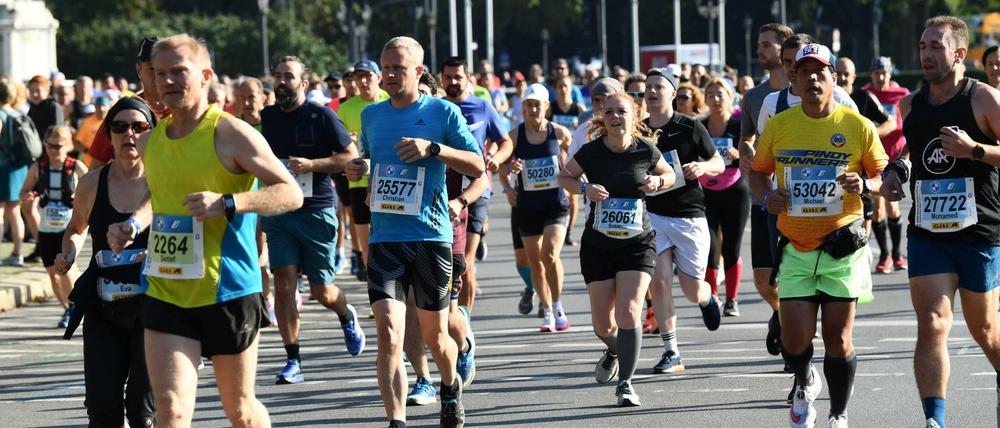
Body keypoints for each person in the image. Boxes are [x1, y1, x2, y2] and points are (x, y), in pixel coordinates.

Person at [105, 33, 305, 427]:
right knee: (171, 409)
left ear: (205, 75)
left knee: (241, 412)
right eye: (161, 73)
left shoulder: (229, 133)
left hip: (227, 288)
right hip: (166, 287)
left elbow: (291, 193)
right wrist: (133, 223)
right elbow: (161, 198)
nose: (168, 81)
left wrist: (229, 203)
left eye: (179, 71)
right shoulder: (151, 141)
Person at [344, 36, 483, 428]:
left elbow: (477, 166)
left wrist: (434, 149)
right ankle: (397, 420)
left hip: (430, 237)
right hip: (385, 238)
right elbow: (373, 160)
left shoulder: (442, 112)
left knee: (436, 338)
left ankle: (450, 385)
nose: (388, 74)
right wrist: (360, 167)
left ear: (418, 72)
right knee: (389, 333)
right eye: (385, 67)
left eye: (397, 69)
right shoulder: (372, 115)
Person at [751, 43, 887, 428]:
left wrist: (865, 183)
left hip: (841, 244)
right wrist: (767, 196)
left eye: (820, 72)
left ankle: (838, 414)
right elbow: (758, 172)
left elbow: (881, 175)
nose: (812, 78)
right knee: (793, 341)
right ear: (794, 79)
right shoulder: (779, 125)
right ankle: (803, 376)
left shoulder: (856, 125)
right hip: (794, 244)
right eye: (804, 72)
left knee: (838, 340)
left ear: (833, 79)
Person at [880, 16, 1000, 428]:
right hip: (928, 231)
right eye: (923, 46)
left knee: (985, 328)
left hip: (979, 229)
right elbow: (912, 153)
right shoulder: (909, 105)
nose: (926, 54)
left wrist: (976, 151)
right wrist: (896, 173)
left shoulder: (983, 99)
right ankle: (935, 421)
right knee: (932, 322)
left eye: (936, 46)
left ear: (959, 53)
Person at [558, 92, 674, 406]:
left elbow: (670, 174)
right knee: (603, 323)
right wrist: (584, 187)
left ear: (633, 116)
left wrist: (657, 183)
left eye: (621, 111)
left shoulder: (645, 150)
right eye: (609, 112)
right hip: (599, 245)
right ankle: (614, 349)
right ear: (602, 117)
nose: (615, 117)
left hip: (638, 243)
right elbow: (564, 177)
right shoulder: (591, 151)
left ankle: (625, 384)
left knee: (630, 311)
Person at [261, 56, 366, 385]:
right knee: (283, 283)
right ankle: (293, 359)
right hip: (280, 211)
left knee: (322, 290)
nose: (281, 82)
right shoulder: (269, 116)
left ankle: (347, 316)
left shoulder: (322, 115)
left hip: (316, 209)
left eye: (288, 77)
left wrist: (312, 164)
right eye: (277, 76)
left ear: (303, 84)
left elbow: (349, 157)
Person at [54, 97, 156, 428]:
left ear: (152, 133)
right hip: (103, 306)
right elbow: (76, 228)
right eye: (120, 126)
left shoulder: (165, 181)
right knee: (102, 408)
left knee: (142, 410)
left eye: (140, 127)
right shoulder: (91, 182)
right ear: (109, 135)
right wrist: (68, 252)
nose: (130, 134)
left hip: (154, 306)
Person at [644, 68, 725, 375]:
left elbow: (717, 161)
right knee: (660, 282)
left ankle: (707, 298)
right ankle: (671, 351)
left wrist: (702, 167)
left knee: (691, 289)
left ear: (672, 94)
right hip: (653, 215)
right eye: (648, 87)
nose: (651, 92)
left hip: (689, 215)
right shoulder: (638, 130)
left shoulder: (690, 126)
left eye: (658, 87)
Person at [440, 56, 513, 312]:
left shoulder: (482, 106)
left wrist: (496, 158)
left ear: (468, 79)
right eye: (448, 77)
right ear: (441, 78)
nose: (453, 82)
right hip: (443, 192)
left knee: (465, 264)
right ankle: (447, 318)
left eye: (458, 76)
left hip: (476, 189)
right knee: (445, 262)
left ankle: (463, 323)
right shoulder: (436, 109)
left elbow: (506, 142)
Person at [501, 83, 573, 332]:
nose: (533, 109)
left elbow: (576, 159)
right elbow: (502, 163)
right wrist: (508, 184)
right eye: (528, 105)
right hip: (528, 205)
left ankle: (557, 303)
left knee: (550, 254)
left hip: (555, 203)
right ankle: (548, 311)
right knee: (535, 261)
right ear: (522, 108)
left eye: (537, 105)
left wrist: (572, 177)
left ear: (546, 107)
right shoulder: (514, 136)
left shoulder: (560, 133)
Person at [20, 125, 88, 327]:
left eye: (58, 146)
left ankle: (74, 306)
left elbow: (93, 190)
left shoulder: (76, 167)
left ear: (67, 145)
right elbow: (23, 193)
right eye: (50, 146)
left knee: (66, 267)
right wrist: (28, 198)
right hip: (46, 228)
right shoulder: (37, 168)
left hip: (70, 227)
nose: (54, 150)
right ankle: (68, 309)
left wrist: (80, 198)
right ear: (45, 145)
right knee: (53, 274)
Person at [701, 77, 750, 316]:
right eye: (711, 94)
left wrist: (739, 155)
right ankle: (713, 297)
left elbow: (755, 159)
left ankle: (732, 299)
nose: (716, 99)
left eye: (721, 94)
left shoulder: (740, 125)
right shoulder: (700, 126)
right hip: (706, 192)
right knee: (709, 248)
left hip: (734, 191)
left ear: (731, 97)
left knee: (731, 248)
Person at [339, 59, 390, 282]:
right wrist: (345, 142)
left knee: (389, 241)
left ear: (378, 77)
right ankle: (377, 291)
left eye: (368, 75)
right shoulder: (346, 108)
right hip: (359, 182)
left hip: (389, 179)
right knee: (365, 240)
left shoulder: (391, 101)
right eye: (359, 76)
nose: (363, 80)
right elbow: (337, 144)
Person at [89, 37, 170, 170]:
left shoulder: (184, 111)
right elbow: (95, 169)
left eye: (163, 69)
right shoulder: (122, 113)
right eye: (152, 69)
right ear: (139, 69)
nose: (158, 76)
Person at [863, 56, 910, 273]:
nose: (880, 77)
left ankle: (898, 254)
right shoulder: (865, 94)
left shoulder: (901, 95)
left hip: (895, 157)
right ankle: (884, 254)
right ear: (871, 74)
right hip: (873, 159)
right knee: (879, 208)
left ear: (890, 73)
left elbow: (905, 124)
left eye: (884, 73)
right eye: (876, 73)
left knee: (893, 205)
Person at [0, 77, 30, 267]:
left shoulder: (1, 115)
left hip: (4, 168)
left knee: (1, 210)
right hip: (20, 168)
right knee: (14, 211)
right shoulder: (19, 113)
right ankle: (18, 253)